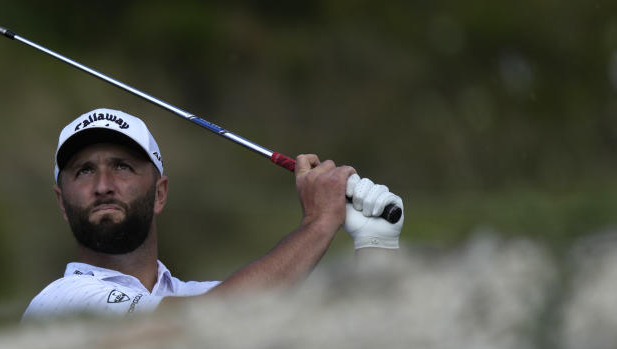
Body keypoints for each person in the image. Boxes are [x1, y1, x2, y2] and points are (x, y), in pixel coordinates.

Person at [22, 108, 403, 319]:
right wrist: (319, 223)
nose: (103, 184)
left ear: (159, 194)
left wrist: (375, 242)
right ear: (61, 201)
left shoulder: (202, 294)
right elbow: (207, 321)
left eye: (122, 166)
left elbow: (360, 335)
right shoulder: (61, 301)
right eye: (84, 171)